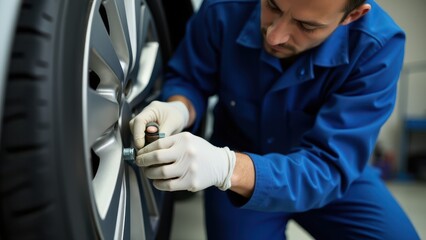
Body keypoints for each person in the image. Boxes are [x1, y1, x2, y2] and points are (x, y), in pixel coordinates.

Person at [130, 0, 420, 238]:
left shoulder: (377, 47)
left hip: (321, 172)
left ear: (353, 15)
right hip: (235, 164)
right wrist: (178, 109)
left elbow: (331, 165)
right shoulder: (224, 8)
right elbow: (191, 78)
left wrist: (226, 167)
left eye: (306, 26)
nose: (274, 36)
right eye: (273, 6)